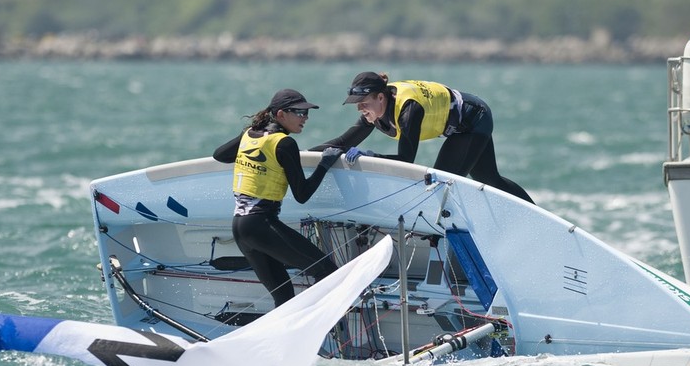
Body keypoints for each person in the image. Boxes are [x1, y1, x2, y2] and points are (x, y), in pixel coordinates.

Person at [314, 71, 534, 203]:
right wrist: (302, 154)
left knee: (442, 184)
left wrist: (369, 156)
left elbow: (406, 161)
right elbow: (342, 143)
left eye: (363, 104)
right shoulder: (374, 113)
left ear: (380, 97)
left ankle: (535, 216)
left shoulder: (409, 110)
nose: (359, 109)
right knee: (489, 179)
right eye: (356, 105)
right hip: (459, 126)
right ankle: (532, 214)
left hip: (474, 119)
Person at [213, 88, 343, 307]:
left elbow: (220, 154)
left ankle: (291, 339)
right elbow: (302, 195)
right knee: (328, 271)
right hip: (261, 225)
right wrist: (324, 164)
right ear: (281, 114)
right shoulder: (284, 143)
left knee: (283, 299)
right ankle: (317, 327)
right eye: (299, 112)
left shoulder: (249, 135)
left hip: (240, 228)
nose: (306, 117)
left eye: (307, 113)